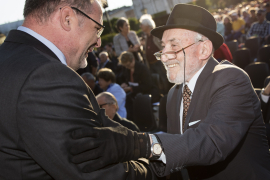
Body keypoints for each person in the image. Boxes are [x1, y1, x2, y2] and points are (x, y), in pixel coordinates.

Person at [70, 4, 270, 180]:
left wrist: (135, 144)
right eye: (163, 47)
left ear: (203, 50)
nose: (163, 56)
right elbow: (175, 156)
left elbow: (210, 143)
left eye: (174, 46)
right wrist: (122, 167)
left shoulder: (231, 79)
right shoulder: (174, 95)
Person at [0, 0, 154, 179]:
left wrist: (144, 143)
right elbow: (96, 173)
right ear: (67, 19)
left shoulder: (8, 59)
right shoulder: (46, 75)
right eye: (97, 28)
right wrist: (149, 163)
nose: (98, 42)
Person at [139, 14, 172, 94]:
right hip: (151, 65)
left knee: (165, 81)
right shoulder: (146, 37)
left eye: (142, 24)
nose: (140, 26)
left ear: (147, 24)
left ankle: (169, 95)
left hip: (160, 63)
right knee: (158, 83)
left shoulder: (156, 34)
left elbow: (164, 46)